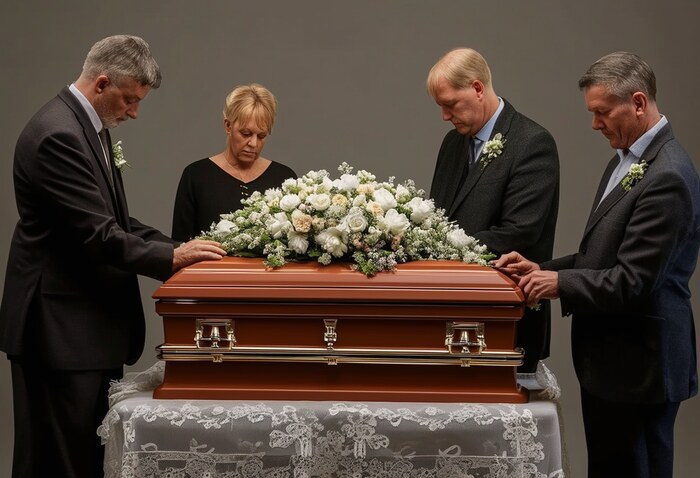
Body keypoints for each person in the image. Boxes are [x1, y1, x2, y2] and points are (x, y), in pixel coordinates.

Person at [0, 35, 226, 478]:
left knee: (83, 456)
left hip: (81, 328)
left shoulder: (85, 127)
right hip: (59, 330)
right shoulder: (57, 135)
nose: (134, 112)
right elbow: (99, 236)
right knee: (61, 461)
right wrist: (173, 257)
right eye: (128, 99)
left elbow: (115, 218)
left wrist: (181, 248)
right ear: (102, 83)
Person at [495, 52, 699, 477]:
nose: (595, 124)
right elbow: (601, 259)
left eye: (602, 112)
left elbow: (632, 282)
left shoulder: (669, 176)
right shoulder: (626, 159)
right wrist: (540, 267)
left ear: (638, 103)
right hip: (615, 365)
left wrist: (556, 284)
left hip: (640, 368)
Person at [427, 48, 560, 373]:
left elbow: (519, 232)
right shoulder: (452, 143)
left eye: (450, 104)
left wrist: (436, 250)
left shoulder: (532, 143)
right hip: (449, 315)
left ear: (476, 88)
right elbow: (438, 217)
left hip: (508, 317)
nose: (445, 116)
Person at [172, 83, 296, 241]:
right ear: (228, 126)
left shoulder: (284, 178)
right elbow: (180, 247)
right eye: (246, 133)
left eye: (261, 136)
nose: (253, 143)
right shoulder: (197, 176)